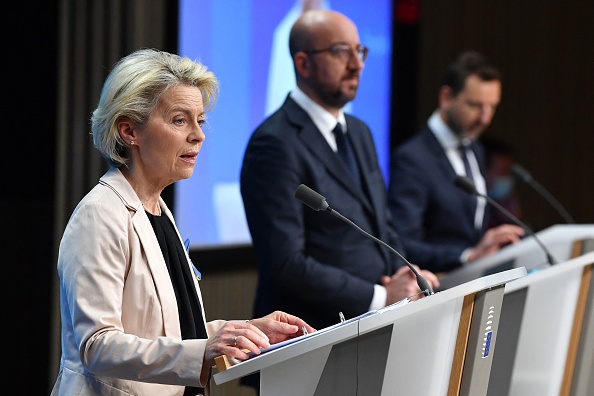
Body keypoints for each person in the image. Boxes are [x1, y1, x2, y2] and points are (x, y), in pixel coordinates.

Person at [50, 48, 314, 396]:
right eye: (179, 120)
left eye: (199, 121)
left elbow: (167, 332)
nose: (198, 135)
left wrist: (245, 332)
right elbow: (97, 345)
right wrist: (204, 350)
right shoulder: (99, 215)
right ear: (129, 130)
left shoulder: (159, 210)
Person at [241, 9, 439, 339]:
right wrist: (380, 296)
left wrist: (407, 274)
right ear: (303, 64)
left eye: (359, 51)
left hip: (375, 328)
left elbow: (381, 225)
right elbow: (286, 263)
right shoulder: (274, 144)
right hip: (309, 338)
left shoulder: (359, 132)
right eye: (340, 51)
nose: (357, 64)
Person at [387, 51, 525, 274]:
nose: (485, 118)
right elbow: (403, 243)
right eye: (475, 105)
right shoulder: (412, 158)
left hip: (474, 281)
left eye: (492, 107)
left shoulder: (475, 149)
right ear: (446, 97)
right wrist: (467, 256)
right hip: (437, 287)